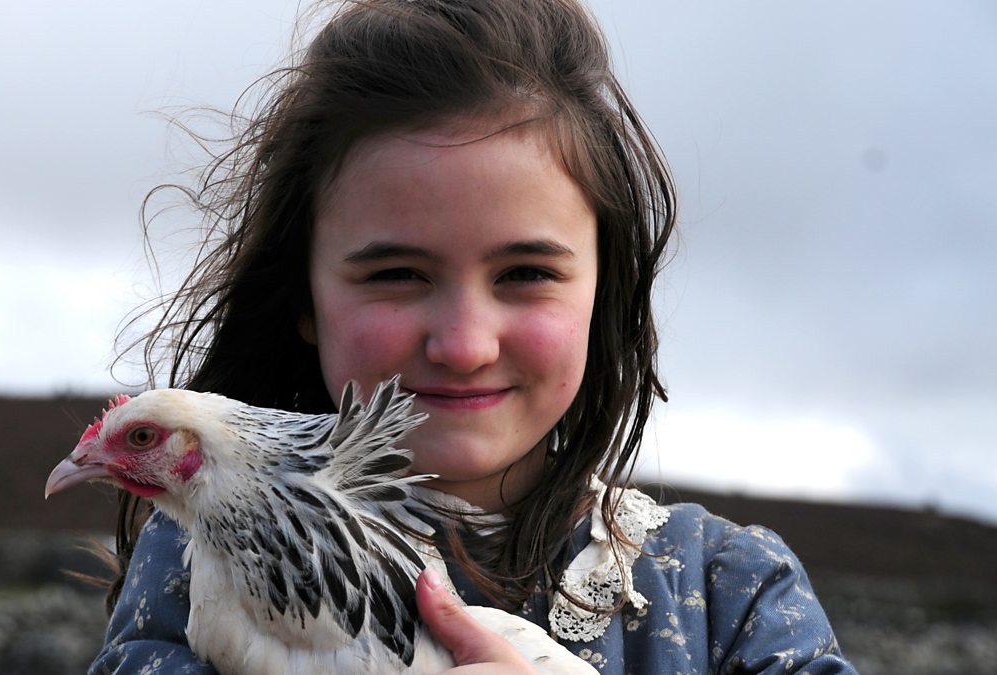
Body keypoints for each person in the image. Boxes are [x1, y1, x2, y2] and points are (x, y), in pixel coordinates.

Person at [92, 0, 858, 672]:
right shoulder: (197, 564)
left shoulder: (731, 592)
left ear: (604, 293)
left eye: (525, 273)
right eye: (398, 273)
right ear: (304, 300)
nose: (464, 345)